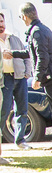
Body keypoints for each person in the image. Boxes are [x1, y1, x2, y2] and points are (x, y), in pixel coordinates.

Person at [4, 3, 52, 152]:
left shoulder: (37, 32)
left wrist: (37, 78)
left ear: (24, 16)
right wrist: (13, 53)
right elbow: (31, 52)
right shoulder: (40, 29)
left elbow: (42, 57)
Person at [1, 11, 31, 151]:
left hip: (19, 77)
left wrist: (28, 72)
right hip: (4, 80)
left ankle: (20, 140)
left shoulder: (13, 37)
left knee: (22, 110)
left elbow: (26, 55)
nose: (0, 25)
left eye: (1, 21)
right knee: (4, 111)